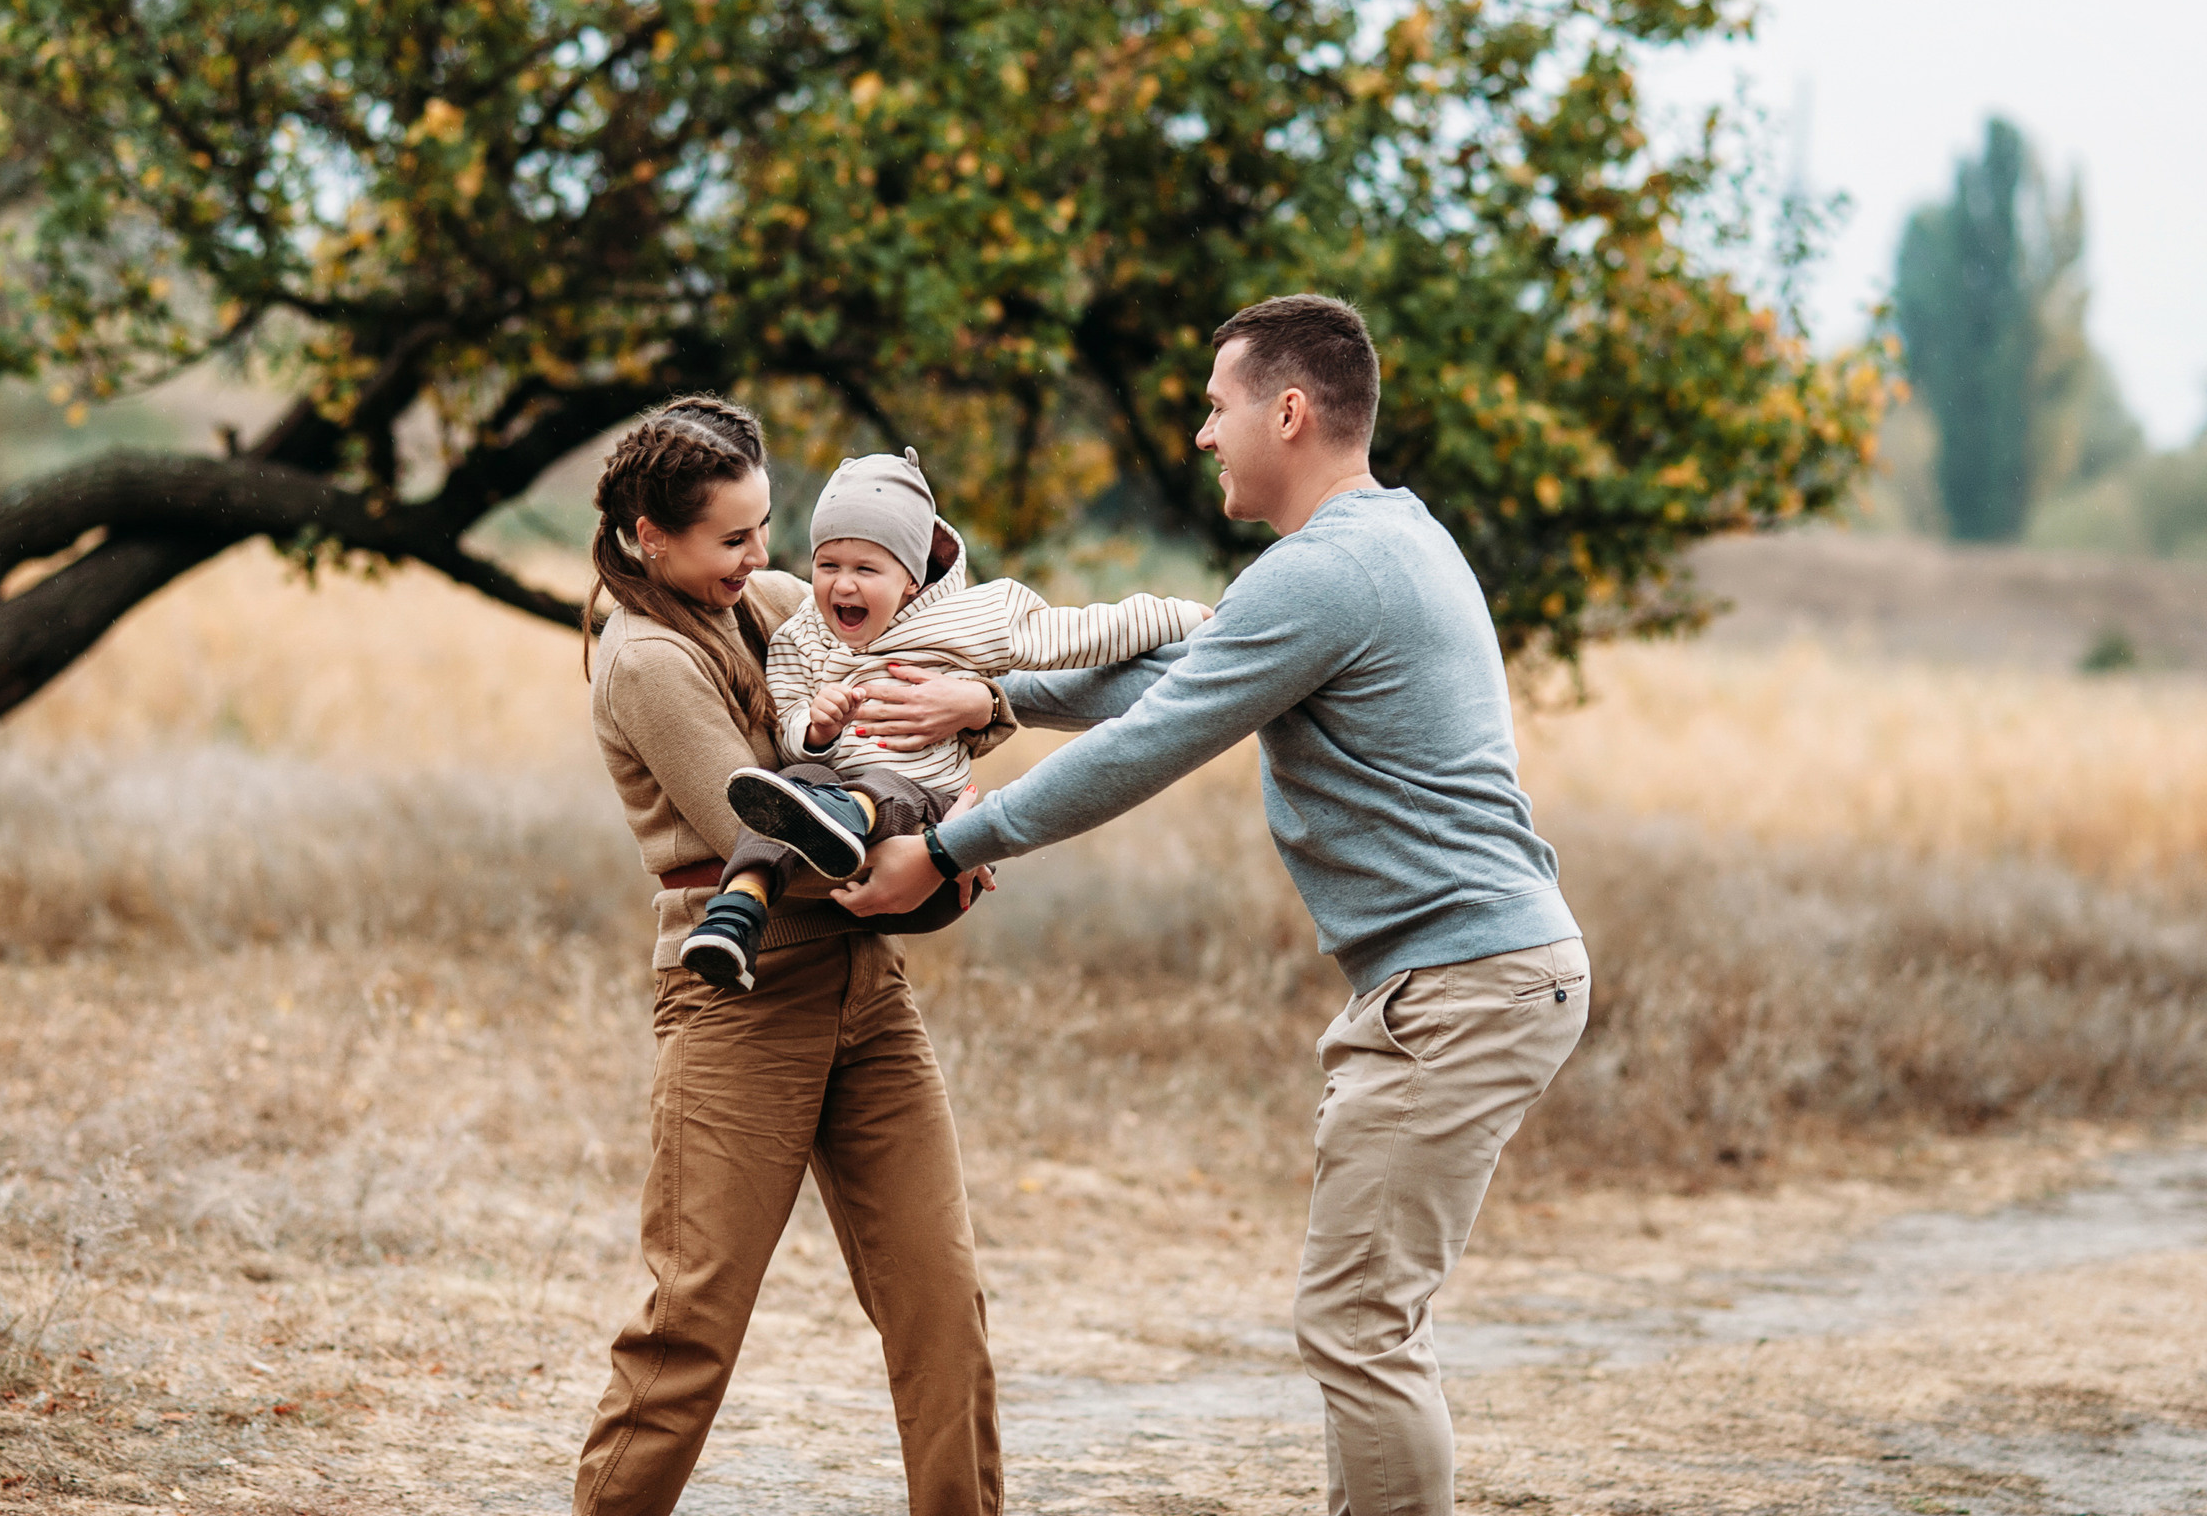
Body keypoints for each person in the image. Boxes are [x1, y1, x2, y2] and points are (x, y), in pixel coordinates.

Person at [835, 295, 1591, 1516]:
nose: (1199, 434)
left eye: (1215, 405)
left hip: (1462, 985)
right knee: (1365, 1324)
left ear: (1286, 412)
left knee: (1356, 1324)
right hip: (1464, 977)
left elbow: (1154, 741)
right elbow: (1194, 672)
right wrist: (995, 701)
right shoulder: (1378, 545)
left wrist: (952, 844)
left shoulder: (1331, 569)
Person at [577, 397, 1008, 1516]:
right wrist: (938, 852)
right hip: (739, 996)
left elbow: (919, 650)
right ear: (645, 535)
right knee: (692, 1326)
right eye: (730, 539)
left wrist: (978, 714)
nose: (760, 561)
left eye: (765, 529)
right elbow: (751, 838)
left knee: (940, 1303)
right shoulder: (645, 661)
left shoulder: (771, 604)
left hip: (866, 986)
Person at [681, 444, 1211, 992]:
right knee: (790, 786)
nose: (842, 584)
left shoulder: (970, 619)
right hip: (843, 829)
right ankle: (735, 918)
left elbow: (1081, 631)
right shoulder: (802, 635)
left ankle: (845, 816)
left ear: (911, 577)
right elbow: (788, 722)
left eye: (867, 568)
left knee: (887, 784)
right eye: (827, 565)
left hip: (930, 824)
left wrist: (1185, 618)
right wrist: (813, 730)